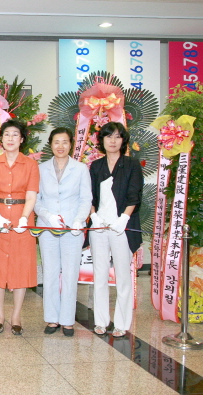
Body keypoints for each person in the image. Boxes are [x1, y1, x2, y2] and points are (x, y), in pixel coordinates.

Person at [0, 119, 40, 336]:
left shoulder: (31, 165)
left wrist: (24, 218)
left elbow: (31, 195)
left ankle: (16, 316)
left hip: (21, 218)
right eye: (7, 134)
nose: (10, 138)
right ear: (1, 139)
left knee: (20, 266)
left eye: (15, 134)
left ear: (22, 139)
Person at [34, 128, 91, 337]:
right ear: (51, 144)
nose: (60, 146)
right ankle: (52, 318)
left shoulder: (81, 169)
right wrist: (48, 216)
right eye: (56, 142)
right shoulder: (40, 169)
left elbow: (86, 199)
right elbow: (36, 200)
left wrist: (78, 220)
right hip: (47, 227)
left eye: (65, 142)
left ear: (71, 145)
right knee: (49, 272)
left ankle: (67, 320)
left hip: (72, 230)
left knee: (70, 273)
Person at [89, 121, 143, 338]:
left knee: (123, 276)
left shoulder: (131, 165)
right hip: (99, 227)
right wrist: (93, 216)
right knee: (100, 275)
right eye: (108, 136)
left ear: (123, 141)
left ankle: (121, 323)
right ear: (102, 140)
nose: (113, 141)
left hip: (122, 226)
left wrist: (124, 219)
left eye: (118, 136)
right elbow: (91, 196)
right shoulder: (96, 166)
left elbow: (134, 195)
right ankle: (101, 321)